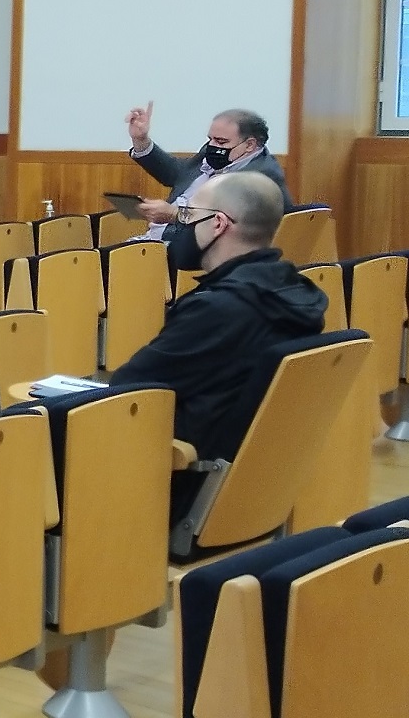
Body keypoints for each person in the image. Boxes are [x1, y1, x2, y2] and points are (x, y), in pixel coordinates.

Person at [107, 172, 326, 521]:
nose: (179, 226)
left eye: (187, 215)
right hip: (257, 487)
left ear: (218, 224)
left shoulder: (218, 310)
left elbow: (125, 391)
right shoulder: (296, 293)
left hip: (184, 484)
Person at [123, 104, 290, 265]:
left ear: (249, 145)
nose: (213, 146)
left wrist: (175, 215)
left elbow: (227, 223)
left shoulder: (262, 177)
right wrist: (141, 141)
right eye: (210, 139)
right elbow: (176, 174)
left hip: (197, 257)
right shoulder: (213, 152)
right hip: (157, 242)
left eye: (221, 142)